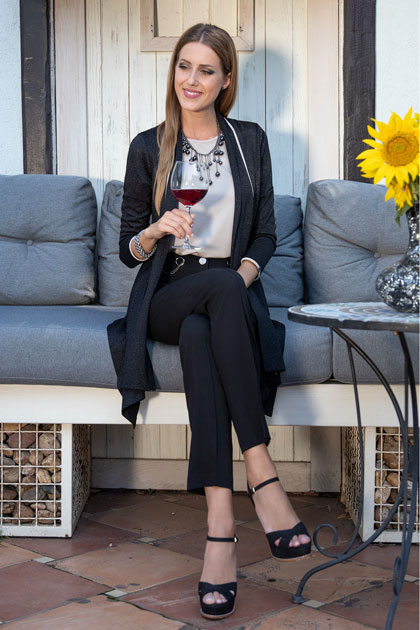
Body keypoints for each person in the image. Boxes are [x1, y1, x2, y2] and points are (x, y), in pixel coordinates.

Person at [107, 23, 311, 620]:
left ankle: (220, 530)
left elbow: (266, 233)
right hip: (168, 293)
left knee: (206, 328)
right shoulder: (149, 146)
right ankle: (263, 474)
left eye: (205, 70)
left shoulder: (249, 141)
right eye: (183, 66)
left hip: (228, 289)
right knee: (199, 308)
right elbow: (128, 251)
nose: (191, 80)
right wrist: (156, 229)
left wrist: (241, 277)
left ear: (225, 81)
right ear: (173, 70)